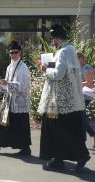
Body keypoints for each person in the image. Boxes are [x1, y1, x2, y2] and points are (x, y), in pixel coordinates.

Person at [38, 24, 90, 172]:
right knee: (68, 129)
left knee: (56, 129)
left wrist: (45, 69)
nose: (52, 42)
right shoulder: (71, 49)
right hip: (69, 99)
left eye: (53, 39)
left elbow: (58, 75)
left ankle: (65, 157)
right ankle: (61, 157)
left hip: (59, 100)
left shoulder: (62, 52)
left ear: (56, 38)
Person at [0, 41, 32, 156]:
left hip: (20, 103)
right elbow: (7, 85)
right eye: (11, 53)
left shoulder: (23, 67)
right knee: (3, 122)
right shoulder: (9, 66)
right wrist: (1, 84)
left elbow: (23, 86)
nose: (13, 55)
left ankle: (26, 149)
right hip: (9, 101)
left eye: (15, 52)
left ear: (20, 53)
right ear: (9, 54)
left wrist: (8, 83)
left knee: (20, 125)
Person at [77, 51, 95, 149]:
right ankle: (88, 138)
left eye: (78, 59)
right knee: (79, 117)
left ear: (82, 58)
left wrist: (76, 83)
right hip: (80, 95)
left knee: (80, 117)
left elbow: (89, 83)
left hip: (85, 96)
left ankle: (94, 136)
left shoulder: (87, 68)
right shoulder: (80, 68)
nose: (76, 61)